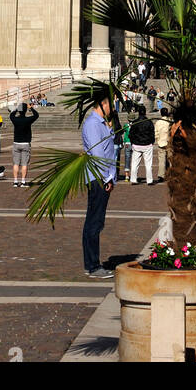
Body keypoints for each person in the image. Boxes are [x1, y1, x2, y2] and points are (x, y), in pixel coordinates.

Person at [81, 90, 116, 278]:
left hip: (101, 177)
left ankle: (92, 263)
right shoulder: (93, 124)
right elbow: (97, 154)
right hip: (98, 178)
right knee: (94, 222)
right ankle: (93, 266)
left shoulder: (101, 123)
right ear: (103, 104)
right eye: (112, 103)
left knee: (96, 221)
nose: (114, 108)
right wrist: (106, 178)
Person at [10, 99, 39, 187]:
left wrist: (16, 109)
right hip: (25, 143)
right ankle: (23, 181)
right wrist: (31, 108)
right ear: (25, 111)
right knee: (24, 164)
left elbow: (11, 115)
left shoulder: (15, 119)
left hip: (16, 142)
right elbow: (36, 115)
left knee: (16, 163)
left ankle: (15, 181)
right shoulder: (27, 120)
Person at [129, 104, 155, 184]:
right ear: (145, 112)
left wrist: (133, 142)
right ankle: (149, 180)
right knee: (148, 164)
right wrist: (152, 141)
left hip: (137, 144)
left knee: (134, 164)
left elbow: (131, 134)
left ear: (138, 112)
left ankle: (133, 179)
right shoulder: (149, 122)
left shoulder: (135, 122)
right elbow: (152, 133)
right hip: (147, 144)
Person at [154, 109, 170, 181]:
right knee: (170, 160)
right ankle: (171, 174)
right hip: (169, 142)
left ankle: (161, 175)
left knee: (161, 161)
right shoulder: (170, 121)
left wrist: (158, 140)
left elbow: (156, 133)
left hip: (161, 142)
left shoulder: (158, 122)